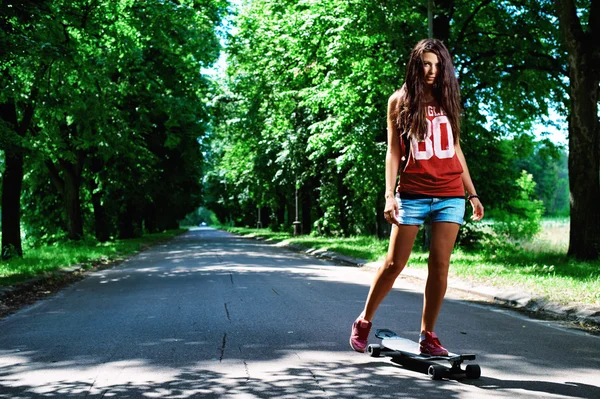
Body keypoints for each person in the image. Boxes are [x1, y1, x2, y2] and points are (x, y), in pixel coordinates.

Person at [349, 39, 484, 356]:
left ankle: (428, 335)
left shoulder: (447, 100)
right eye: (426, 63)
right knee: (395, 263)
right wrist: (388, 195)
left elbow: (455, 150)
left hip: (450, 193)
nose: (431, 70)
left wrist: (472, 193)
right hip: (411, 194)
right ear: (415, 64)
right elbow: (393, 151)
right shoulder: (399, 101)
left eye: (437, 65)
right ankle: (364, 320)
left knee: (440, 265)